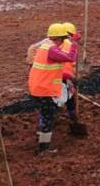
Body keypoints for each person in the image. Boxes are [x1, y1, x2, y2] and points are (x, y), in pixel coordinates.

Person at [28, 23, 78, 153]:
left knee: (46, 115)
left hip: (37, 88)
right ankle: (43, 149)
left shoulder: (45, 47)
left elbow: (54, 71)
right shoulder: (52, 50)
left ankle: (42, 136)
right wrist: (75, 44)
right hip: (44, 90)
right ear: (60, 38)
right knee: (48, 118)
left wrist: (70, 77)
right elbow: (70, 58)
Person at [61, 22, 82, 123]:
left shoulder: (52, 43)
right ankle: (72, 115)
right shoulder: (70, 45)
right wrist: (72, 78)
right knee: (69, 96)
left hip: (51, 76)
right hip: (63, 75)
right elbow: (67, 67)